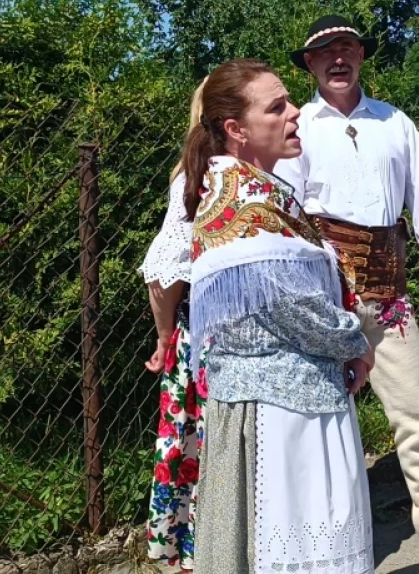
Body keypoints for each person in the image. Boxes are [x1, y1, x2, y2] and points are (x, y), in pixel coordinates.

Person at [285, 15, 419, 564]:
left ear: (361, 56)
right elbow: (288, 216)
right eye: (325, 51)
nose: (337, 59)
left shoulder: (394, 122)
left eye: (347, 48)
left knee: (415, 410)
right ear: (309, 64)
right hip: (324, 299)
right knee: (322, 421)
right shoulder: (297, 126)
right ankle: (326, 536)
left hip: (390, 292)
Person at [185, 58, 375, 573]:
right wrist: (359, 339)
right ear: (236, 130)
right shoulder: (245, 202)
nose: (294, 113)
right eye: (277, 107)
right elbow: (295, 313)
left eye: (289, 101)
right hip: (280, 412)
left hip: (291, 396)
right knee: (290, 549)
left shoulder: (260, 191)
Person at [139, 78, 208, 572]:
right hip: (211, 337)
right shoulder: (201, 178)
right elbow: (167, 267)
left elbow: (162, 280)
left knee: (191, 442)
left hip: (199, 335)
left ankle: (191, 551)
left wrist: (165, 336)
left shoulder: (191, 174)